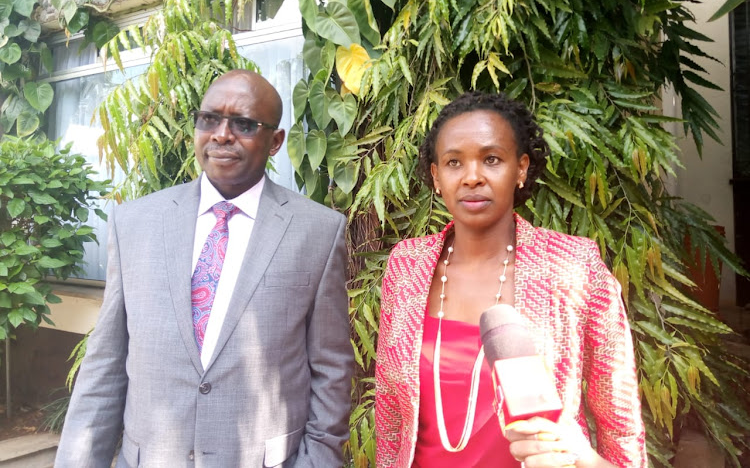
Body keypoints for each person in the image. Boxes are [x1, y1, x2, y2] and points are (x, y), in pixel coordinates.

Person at [56, 70, 354, 467]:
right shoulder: (135, 223)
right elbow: (106, 363)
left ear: (276, 142)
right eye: (209, 119)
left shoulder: (317, 231)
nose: (221, 135)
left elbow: (331, 371)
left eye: (244, 124)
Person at [375, 91, 646, 467]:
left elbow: (621, 427)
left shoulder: (572, 267)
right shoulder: (406, 267)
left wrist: (585, 458)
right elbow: (390, 412)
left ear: (520, 168)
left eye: (491, 159)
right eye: (454, 162)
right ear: (436, 176)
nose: (472, 177)